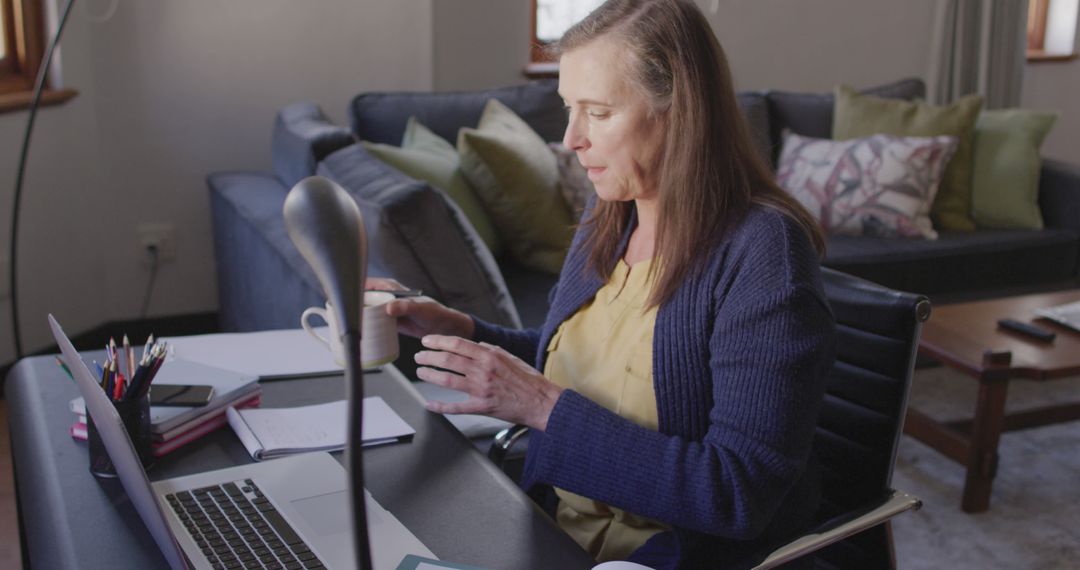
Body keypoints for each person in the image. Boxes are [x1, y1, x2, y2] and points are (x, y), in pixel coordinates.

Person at [369, 1, 836, 567]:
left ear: (680, 112)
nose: (571, 139)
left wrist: (543, 409)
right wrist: (463, 329)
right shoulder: (612, 214)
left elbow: (737, 493)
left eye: (598, 112)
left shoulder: (763, 254)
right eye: (569, 109)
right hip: (552, 526)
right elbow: (585, 364)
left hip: (666, 554)